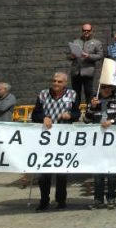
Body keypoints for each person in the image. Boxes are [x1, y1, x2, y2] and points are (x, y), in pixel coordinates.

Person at [31, 72, 80, 211]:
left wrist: (69, 115)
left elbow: (77, 114)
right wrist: (43, 118)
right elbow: (34, 114)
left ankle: (61, 200)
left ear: (65, 83)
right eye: (54, 81)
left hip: (63, 139)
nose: (56, 84)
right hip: (46, 139)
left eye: (59, 82)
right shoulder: (43, 94)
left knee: (61, 173)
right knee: (44, 173)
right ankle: (44, 201)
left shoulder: (72, 95)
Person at [84, 84, 116, 209]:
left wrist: (112, 122)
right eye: (103, 87)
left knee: (112, 172)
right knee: (98, 173)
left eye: (109, 87)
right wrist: (92, 107)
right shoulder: (94, 99)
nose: (106, 90)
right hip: (98, 141)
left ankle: (111, 199)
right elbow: (86, 120)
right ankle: (98, 200)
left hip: (113, 141)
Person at [67, 23, 104, 107]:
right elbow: (68, 56)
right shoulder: (75, 41)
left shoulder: (96, 43)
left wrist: (89, 56)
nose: (86, 32)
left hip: (88, 71)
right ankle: (75, 112)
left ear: (91, 31)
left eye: (88, 30)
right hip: (76, 71)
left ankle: (89, 112)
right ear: (82, 31)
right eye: (84, 30)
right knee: (75, 93)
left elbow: (100, 55)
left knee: (88, 92)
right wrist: (71, 56)